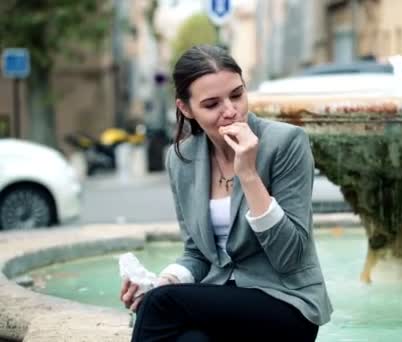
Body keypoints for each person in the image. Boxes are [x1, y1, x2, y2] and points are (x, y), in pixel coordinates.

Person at [119, 44, 333, 341]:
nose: (231, 112)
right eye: (212, 104)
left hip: (286, 302)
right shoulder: (182, 159)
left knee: (160, 304)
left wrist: (247, 172)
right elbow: (197, 252)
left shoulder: (285, 143)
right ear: (185, 108)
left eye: (237, 95)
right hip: (221, 300)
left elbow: (291, 257)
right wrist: (165, 280)